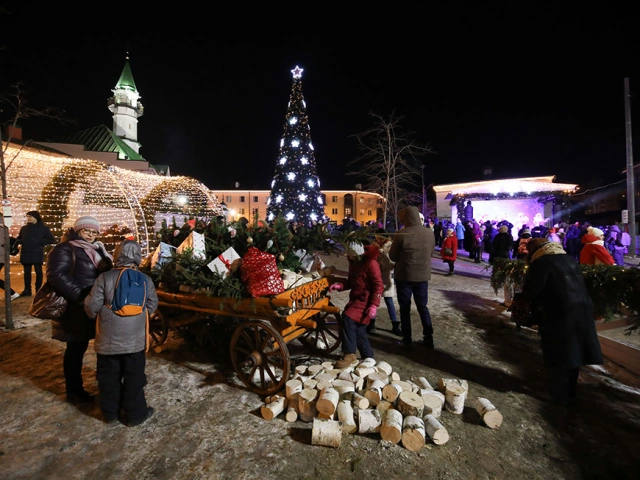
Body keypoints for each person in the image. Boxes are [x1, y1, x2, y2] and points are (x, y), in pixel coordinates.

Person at [520, 238, 603, 407]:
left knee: (557, 352)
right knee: (575, 352)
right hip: (581, 310)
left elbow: (531, 290)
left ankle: (557, 393)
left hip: (559, 312)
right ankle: (570, 391)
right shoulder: (568, 259)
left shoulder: (542, 262)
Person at [84, 240, 158, 426]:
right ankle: (136, 415)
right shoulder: (145, 279)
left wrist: (96, 315)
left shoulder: (105, 278)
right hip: (135, 342)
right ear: (138, 257)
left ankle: (110, 413)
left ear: (116, 255)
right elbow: (152, 306)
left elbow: (92, 306)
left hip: (108, 342)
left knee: (108, 377)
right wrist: (138, 317)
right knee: (134, 378)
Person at [45, 216, 113, 403]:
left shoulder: (98, 249)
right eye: (87, 231)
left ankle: (105, 384)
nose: (91, 235)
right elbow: (56, 276)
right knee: (76, 348)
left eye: (94, 232)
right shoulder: (65, 248)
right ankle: (74, 391)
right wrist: (82, 298)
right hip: (76, 308)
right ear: (78, 230)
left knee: (101, 346)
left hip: (96, 305)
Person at [329, 242, 383, 368]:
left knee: (348, 318)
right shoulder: (354, 263)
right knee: (358, 329)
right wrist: (340, 286)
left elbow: (378, 285)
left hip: (366, 300)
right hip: (356, 299)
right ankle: (368, 355)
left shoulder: (371, 264)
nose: (347, 255)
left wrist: (374, 305)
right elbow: (352, 282)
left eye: (349, 253)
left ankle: (350, 354)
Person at [389, 205, 436, 350]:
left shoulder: (401, 234)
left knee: (405, 308)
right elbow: (432, 252)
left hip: (405, 276)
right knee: (423, 307)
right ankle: (428, 338)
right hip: (422, 276)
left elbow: (393, 256)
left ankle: (407, 339)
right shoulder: (429, 233)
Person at [15, 211, 55, 296]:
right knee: (26, 272)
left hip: (37, 252)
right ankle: (27, 290)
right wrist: (19, 241)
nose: (28, 218)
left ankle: (39, 290)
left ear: (36, 217)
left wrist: (41, 242)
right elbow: (19, 238)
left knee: (38, 272)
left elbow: (51, 239)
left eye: (30, 216)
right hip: (26, 252)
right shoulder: (24, 228)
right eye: (27, 216)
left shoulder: (43, 228)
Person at [369, 232, 402, 336]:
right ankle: (371, 323)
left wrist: (381, 254)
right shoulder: (375, 246)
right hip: (376, 277)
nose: (376, 239)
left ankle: (395, 324)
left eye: (377, 236)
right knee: (374, 300)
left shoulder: (390, 246)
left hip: (386, 277)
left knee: (389, 301)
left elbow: (391, 264)